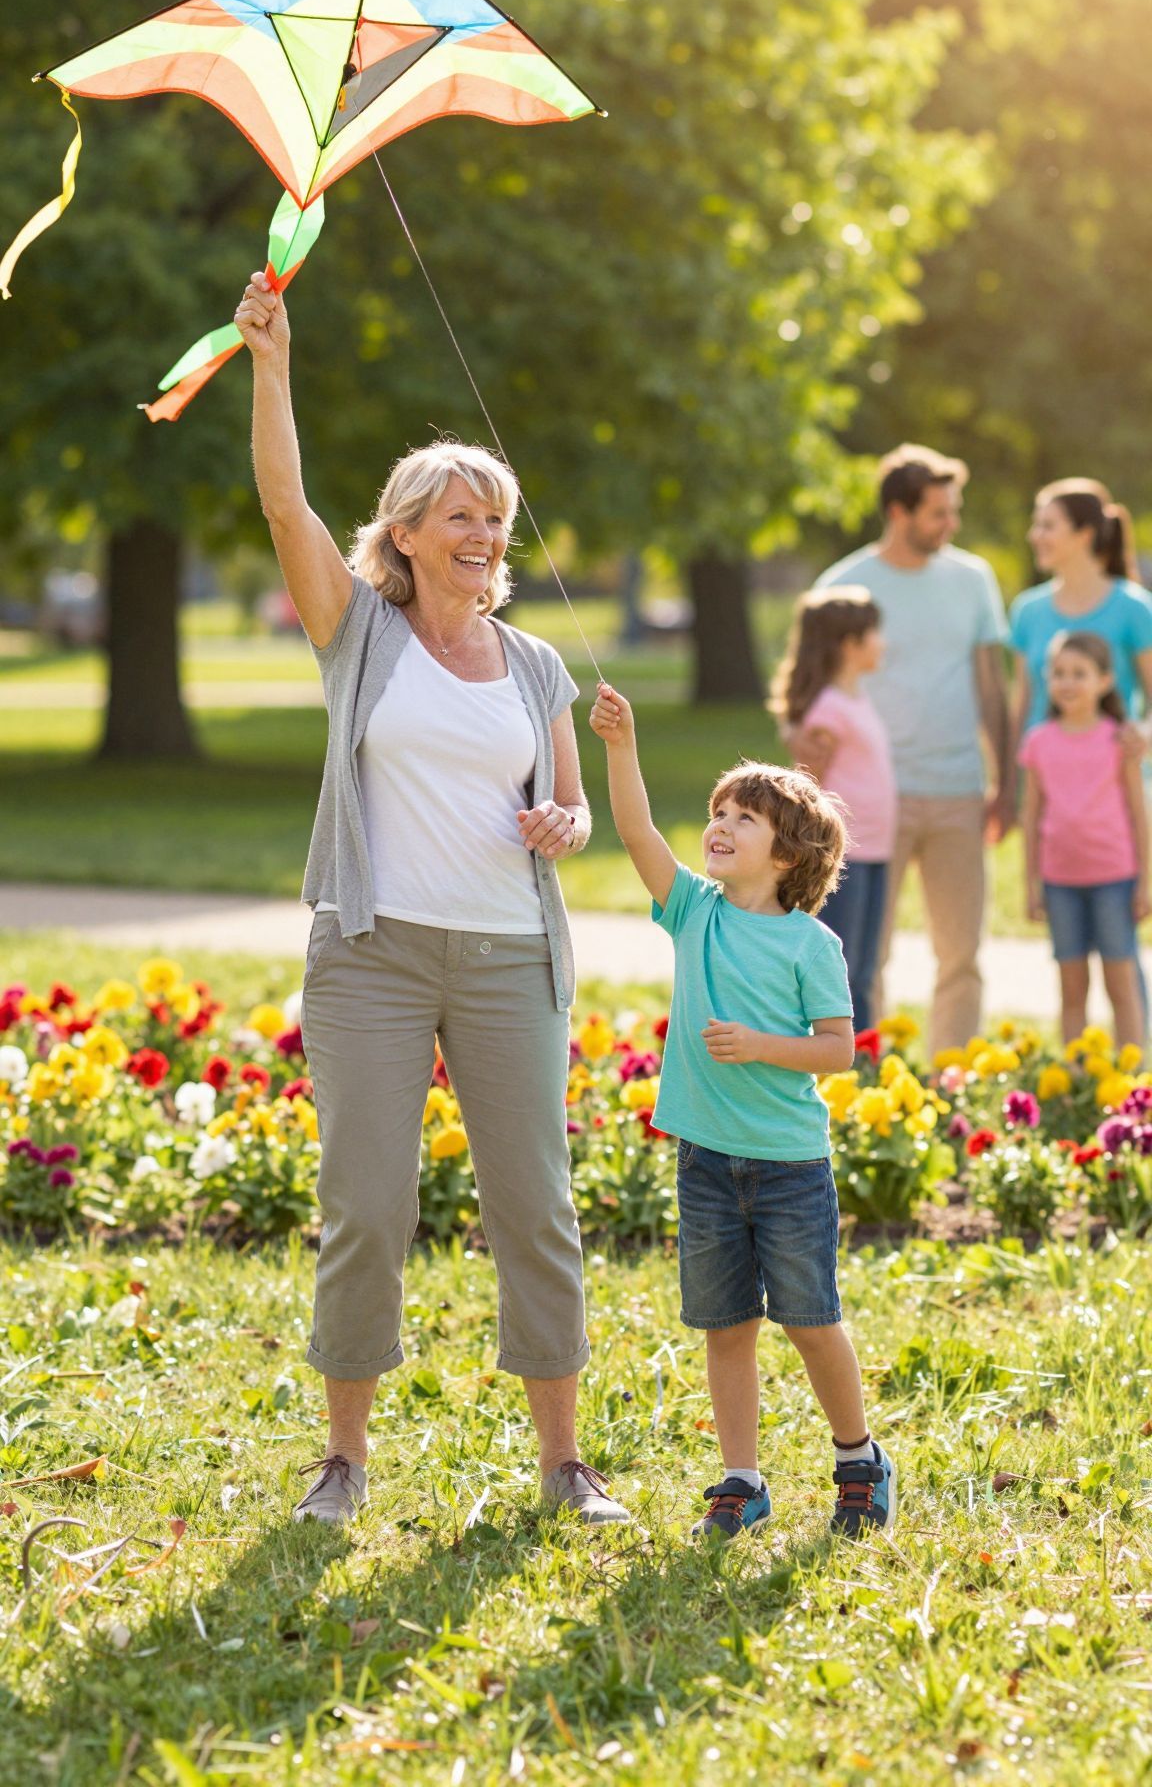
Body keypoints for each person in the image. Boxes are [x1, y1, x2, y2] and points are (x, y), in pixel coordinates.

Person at [235, 269, 629, 1529]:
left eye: (495, 520)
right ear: (403, 531)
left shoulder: (535, 660)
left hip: (511, 954)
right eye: (457, 514)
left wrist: (565, 820)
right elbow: (283, 500)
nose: (481, 534)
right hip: (375, 951)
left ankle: (565, 1464)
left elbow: (565, 806)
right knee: (366, 1200)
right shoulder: (357, 629)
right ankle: (343, 1459)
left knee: (536, 1201)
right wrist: (273, 363)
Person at [589, 681, 897, 1541]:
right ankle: (741, 1479)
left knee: (810, 1319)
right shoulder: (692, 912)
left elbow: (839, 1050)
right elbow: (637, 833)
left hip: (790, 1164)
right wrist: (622, 746)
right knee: (726, 1325)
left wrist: (761, 1044)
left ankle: (858, 1459)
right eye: (718, 812)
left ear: (790, 856)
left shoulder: (811, 945)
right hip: (706, 1159)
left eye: (744, 820)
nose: (718, 827)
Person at [805, 443, 1012, 1055]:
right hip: (865, 801)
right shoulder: (842, 586)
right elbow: (806, 691)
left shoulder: (973, 579)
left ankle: (952, 1071)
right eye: (938, 513)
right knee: (864, 953)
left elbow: (991, 687)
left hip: (957, 790)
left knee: (962, 953)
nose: (951, 525)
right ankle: (866, 1070)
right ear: (898, 511)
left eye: (954, 511)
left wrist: (1005, 787)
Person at [773, 587, 896, 1030]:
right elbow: (806, 789)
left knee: (864, 965)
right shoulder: (827, 710)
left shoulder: (855, 699)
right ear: (850, 644)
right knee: (843, 966)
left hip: (877, 850)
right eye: (875, 634)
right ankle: (843, 1051)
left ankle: (864, 1054)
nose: (883, 642)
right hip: (846, 855)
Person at [1020, 631, 1149, 1051]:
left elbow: (1138, 813)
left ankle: (1133, 1080)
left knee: (1120, 984)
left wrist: (1146, 881)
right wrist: (1030, 884)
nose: (1068, 682)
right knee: (1072, 989)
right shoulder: (1038, 741)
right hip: (1060, 883)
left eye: (1080, 673)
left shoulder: (1119, 740)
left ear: (1105, 681)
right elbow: (1031, 816)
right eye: (1059, 673)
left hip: (1115, 879)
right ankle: (1076, 1080)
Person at [1010, 478, 1152, 737]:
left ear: (1084, 534)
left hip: (1112, 773)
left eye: (1047, 526)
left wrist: (1142, 734)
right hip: (1043, 775)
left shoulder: (1135, 608)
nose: (1034, 536)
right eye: (1036, 525)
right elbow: (1024, 706)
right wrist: (1007, 776)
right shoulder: (1027, 610)